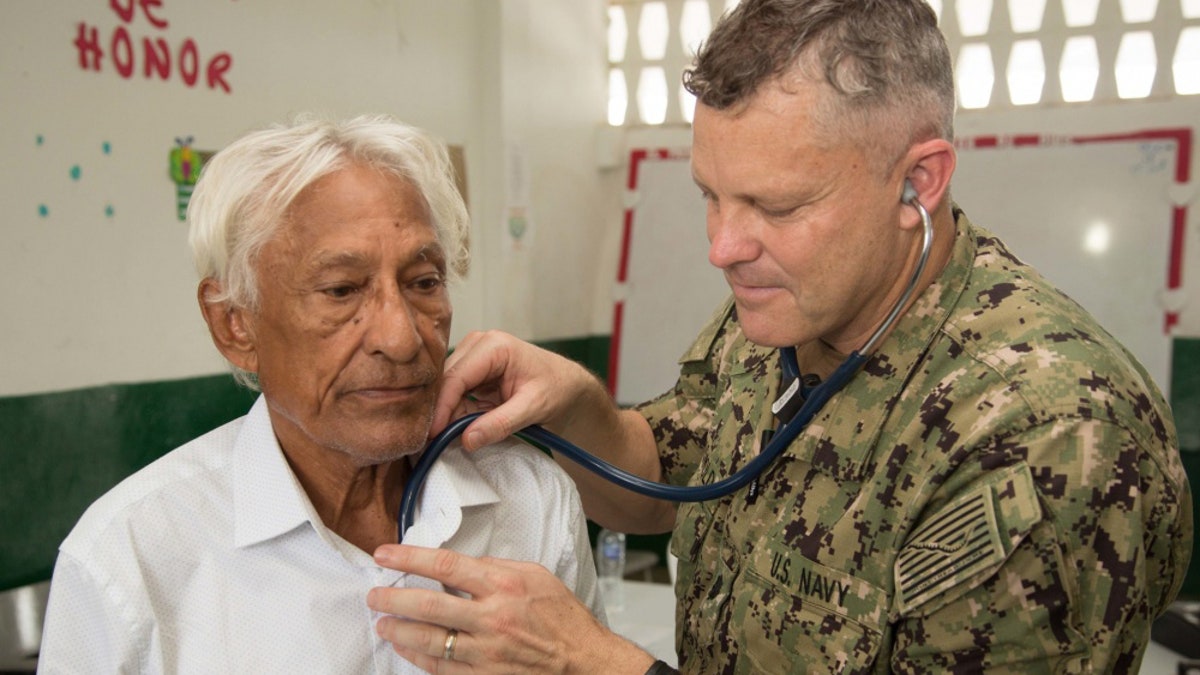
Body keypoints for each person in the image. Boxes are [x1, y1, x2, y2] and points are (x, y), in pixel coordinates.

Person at [365, 1, 1193, 673]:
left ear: (919, 180)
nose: (722, 246)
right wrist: (583, 411)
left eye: (778, 206)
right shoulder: (786, 313)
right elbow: (665, 486)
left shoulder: (1048, 439)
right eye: (710, 196)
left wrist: (592, 663)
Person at [36, 114, 604, 674]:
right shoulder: (130, 559)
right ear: (235, 324)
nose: (402, 338)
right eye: (341, 290)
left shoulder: (530, 499)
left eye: (424, 282)